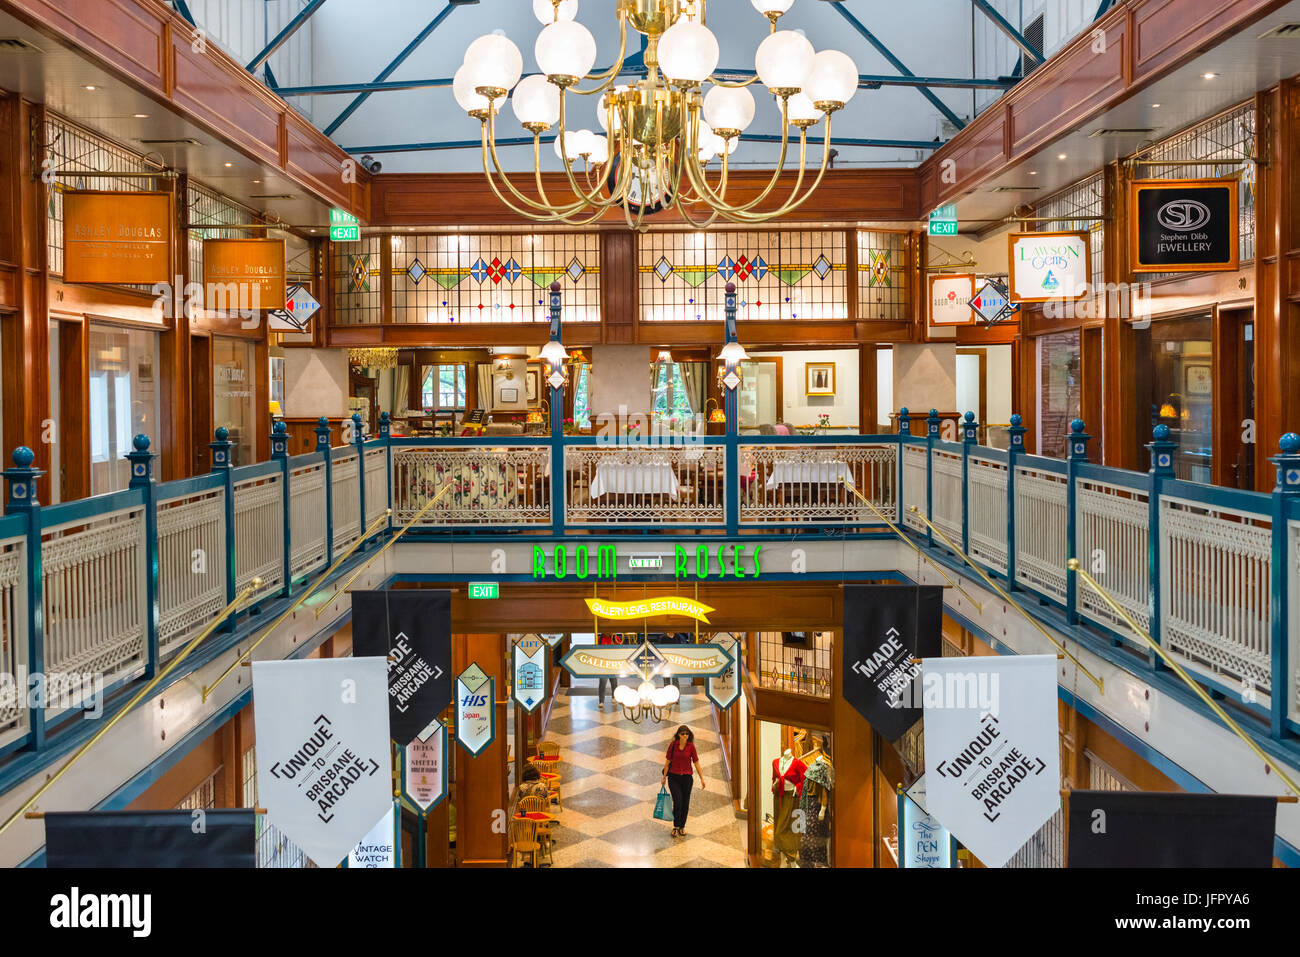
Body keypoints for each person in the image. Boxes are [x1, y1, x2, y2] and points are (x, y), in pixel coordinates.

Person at [661, 724, 704, 838]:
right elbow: (667, 762)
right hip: (674, 778)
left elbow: (696, 763)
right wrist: (664, 777)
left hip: (687, 778)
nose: (685, 735)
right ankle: (675, 826)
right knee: (678, 802)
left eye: (687, 734)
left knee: (685, 803)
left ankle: (682, 826)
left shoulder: (691, 747)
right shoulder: (673, 745)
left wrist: (702, 778)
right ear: (678, 735)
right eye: (683, 733)